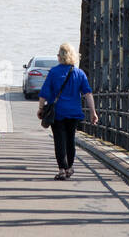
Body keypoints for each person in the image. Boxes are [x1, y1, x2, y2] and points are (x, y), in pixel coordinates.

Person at [38, 42, 97, 180]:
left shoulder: (53, 72)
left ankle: (62, 169)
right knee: (70, 140)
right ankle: (69, 167)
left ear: (60, 56)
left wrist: (41, 109)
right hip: (74, 113)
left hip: (58, 113)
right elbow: (88, 94)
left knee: (59, 140)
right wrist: (93, 112)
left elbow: (44, 93)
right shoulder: (79, 73)